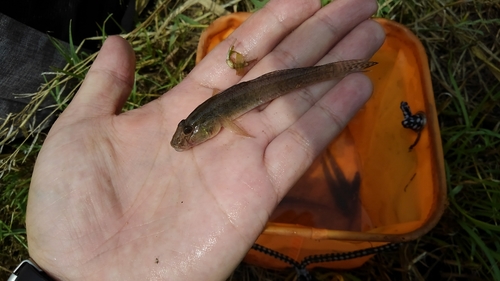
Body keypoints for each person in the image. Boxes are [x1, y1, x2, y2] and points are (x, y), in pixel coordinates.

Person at [25, 0, 385, 279]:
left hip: (271, 84)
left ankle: (349, 67)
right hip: (262, 86)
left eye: (191, 132)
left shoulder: (216, 118)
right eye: (189, 131)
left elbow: (226, 116)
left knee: (318, 76)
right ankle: (349, 67)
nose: (187, 138)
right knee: (319, 77)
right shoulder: (206, 118)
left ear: (211, 124)